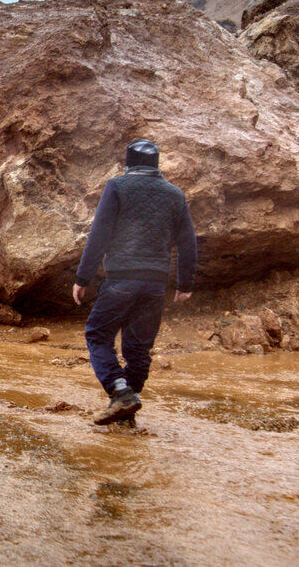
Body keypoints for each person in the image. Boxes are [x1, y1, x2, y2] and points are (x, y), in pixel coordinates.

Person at [73, 139, 198, 425]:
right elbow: (187, 242)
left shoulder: (117, 187)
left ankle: (119, 390)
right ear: (157, 165)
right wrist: (185, 283)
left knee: (97, 334)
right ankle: (126, 410)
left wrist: (83, 277)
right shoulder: (175, 194)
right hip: (155, 285)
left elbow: (99, 234)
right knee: (138, 350)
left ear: (128, 163)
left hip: (121, 280)